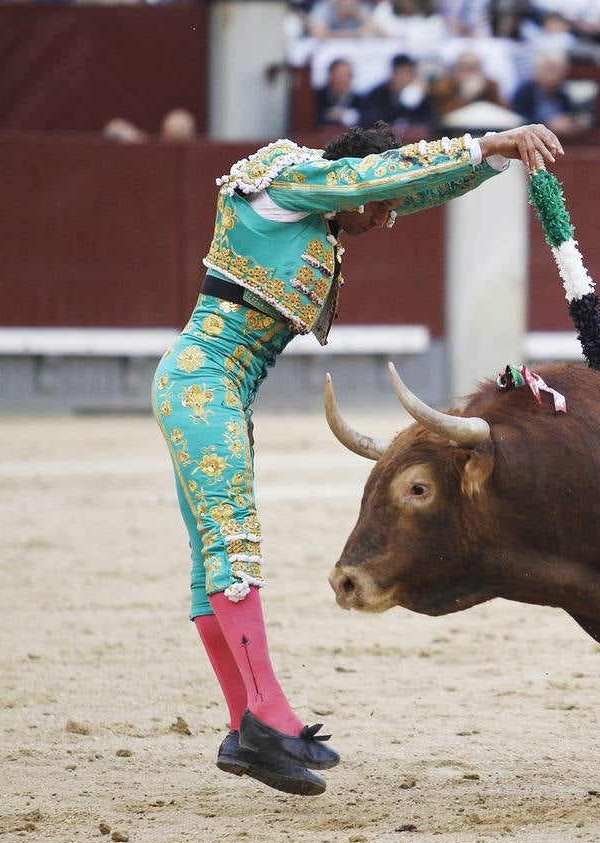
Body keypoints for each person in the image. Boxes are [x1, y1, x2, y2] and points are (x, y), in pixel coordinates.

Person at [152, 122, 564, 796]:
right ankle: (268, 718)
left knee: (212, 564)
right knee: (233, 550)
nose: (386, 220)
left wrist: (492, 164)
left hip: (209, 387)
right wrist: (488, 139)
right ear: (353, 182)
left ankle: (245, 728)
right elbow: (381, 178)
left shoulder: (320, 201)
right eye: (377, 206)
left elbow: (400, 183)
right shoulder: (293, 182)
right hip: (204, 386)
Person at [512, 50, 591, 137]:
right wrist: (548, 125)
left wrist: (574, 121)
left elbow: (573, 116)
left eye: (555, 70)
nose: (552, 74)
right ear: (535, 71)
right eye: (548, 69)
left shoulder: (564, 94)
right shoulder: (524, 93)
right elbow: (517, 121)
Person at [364, 54, 436, 135]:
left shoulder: (419, 94)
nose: (404, 78)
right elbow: (373, 122)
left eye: (408, 74)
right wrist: (402, 105)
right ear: (392, 75)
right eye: (400, 74)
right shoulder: (377, 94)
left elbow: (429, 123)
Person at [431, 51, 506, 120]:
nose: (470, 73)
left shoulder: (490, 85)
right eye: (465, 68)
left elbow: (505, 114)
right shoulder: (444, 87)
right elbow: (443, 119)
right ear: (456, 71)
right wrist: (465, 97)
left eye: (474, 68)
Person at [316, 58, 365, 129]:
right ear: (330, 76)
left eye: (346, 76)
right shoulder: (317, 98)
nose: (342, 80)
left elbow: (369, 120)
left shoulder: (361, 101)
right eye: (338, 76)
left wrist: (348, 116)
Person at [308, 0, 376, 36]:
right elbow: (320, 34)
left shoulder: (360, 10)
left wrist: (360, 16)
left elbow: (377, 32)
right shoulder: (324, 9)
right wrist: (356, 34)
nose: (350, 2)